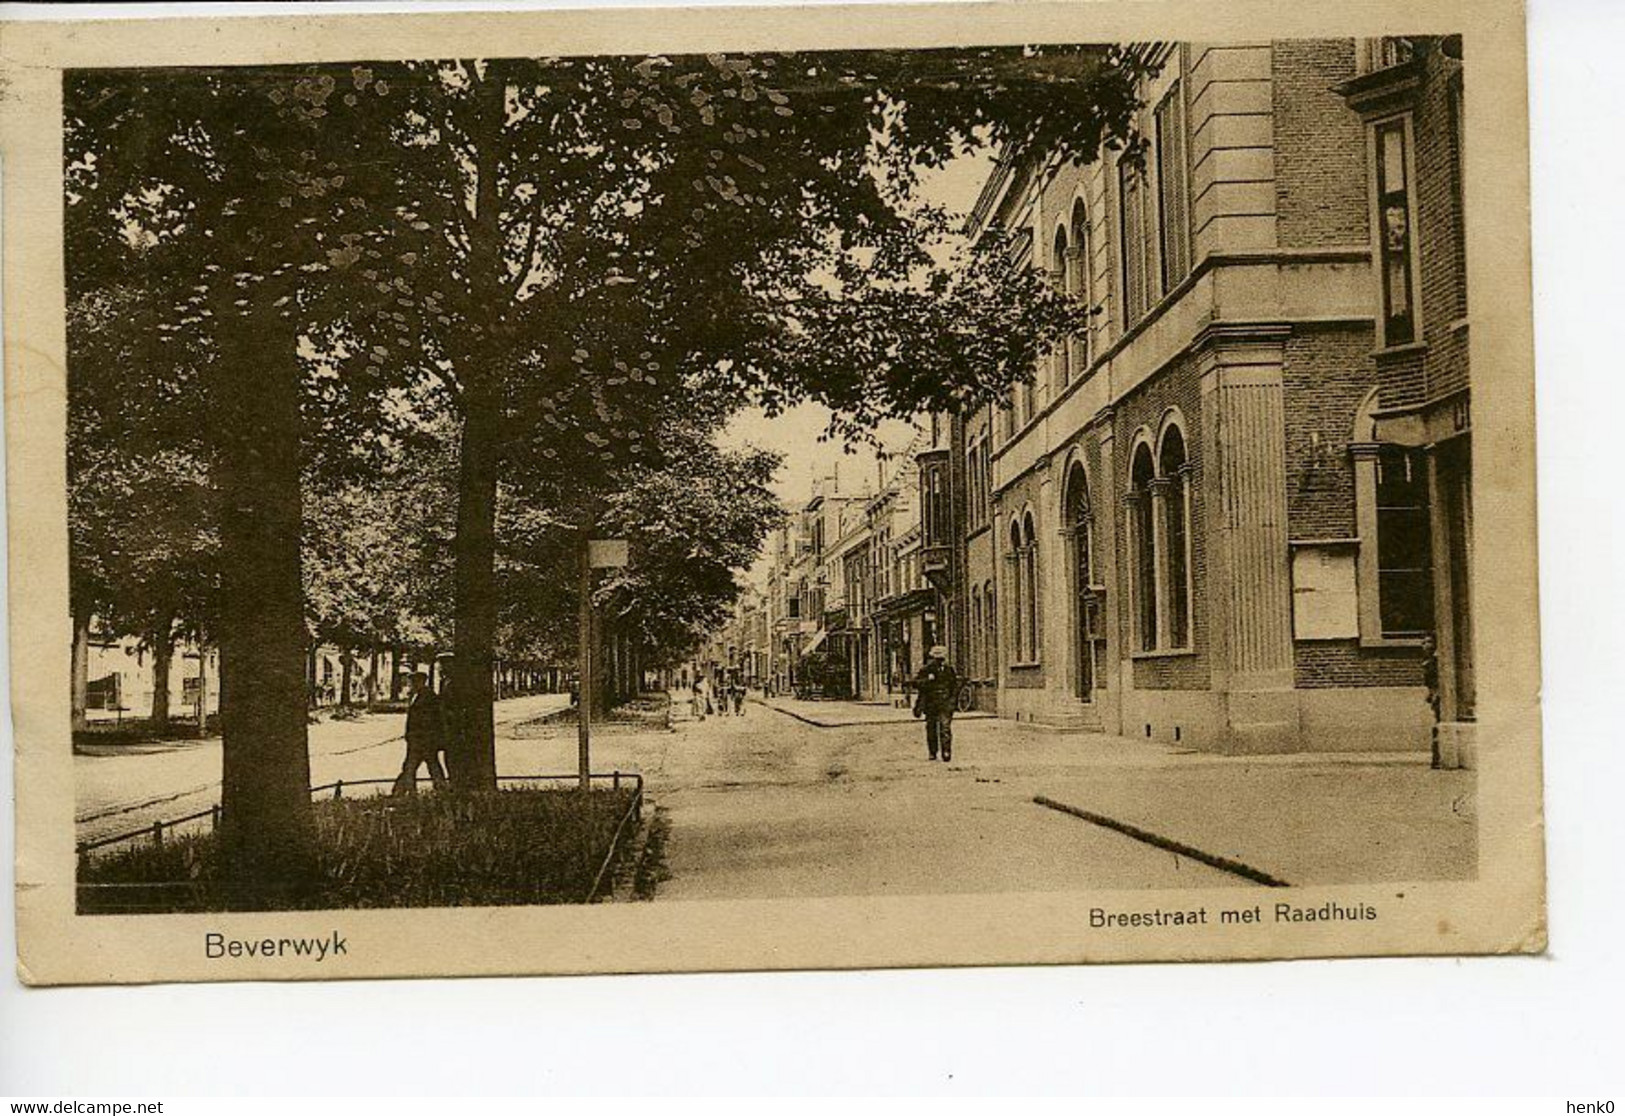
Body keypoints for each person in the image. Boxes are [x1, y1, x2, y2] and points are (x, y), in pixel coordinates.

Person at [392, 670, 448, 794]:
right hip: (420, 739)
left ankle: (403, 792)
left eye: (414, 681)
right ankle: (440, 790)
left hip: (422, 740)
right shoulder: (418, 695)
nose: (412, 684)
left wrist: (416, 735)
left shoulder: (428, 696)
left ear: (421, 681)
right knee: (428, 766)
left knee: (412, 767)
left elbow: (428, 720)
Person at [911, 645, 960, 763]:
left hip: (945, 703)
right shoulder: (926, 669)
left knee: (945, 728)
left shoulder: (949, 670)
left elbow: (954, 686)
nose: (939, 661)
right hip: (931, 703)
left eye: (941, 658)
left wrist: (952, 702)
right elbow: (915, 683)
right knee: (931, 729)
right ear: (933, 658)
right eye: (937, 658)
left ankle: (946, 751)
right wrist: (928, 680)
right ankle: (933, 752)